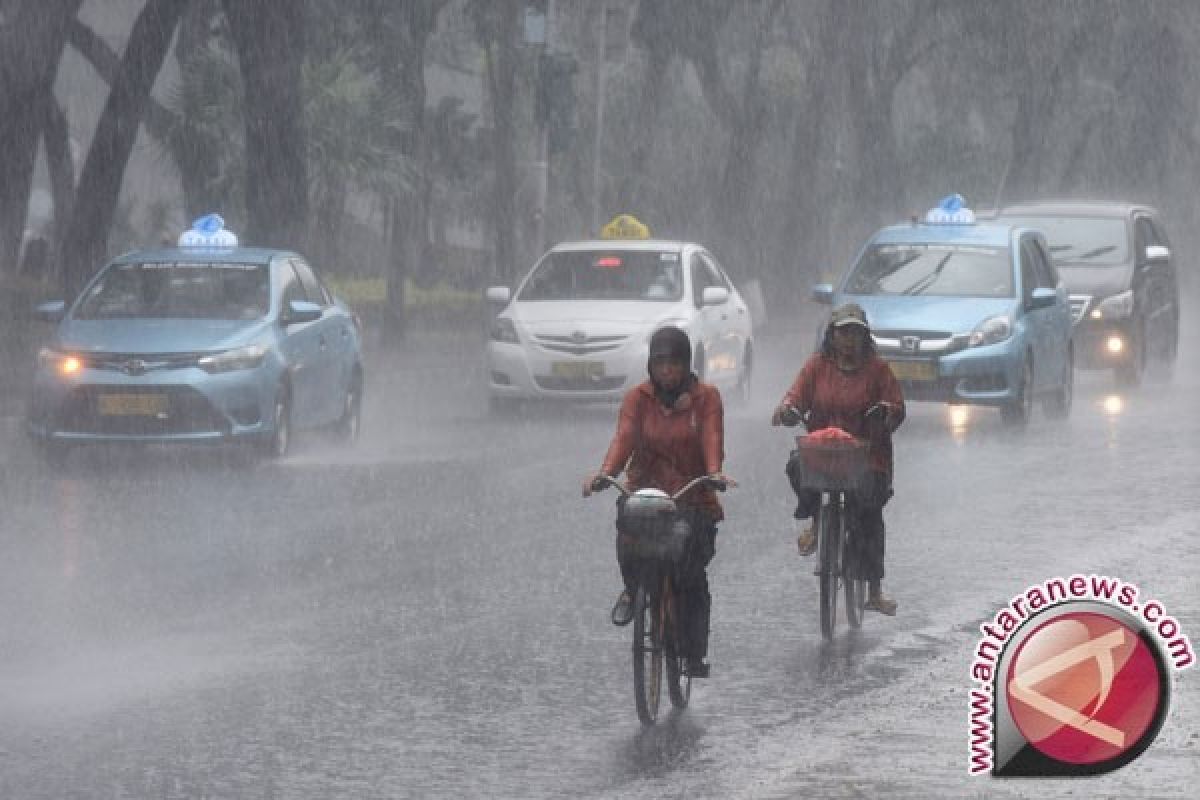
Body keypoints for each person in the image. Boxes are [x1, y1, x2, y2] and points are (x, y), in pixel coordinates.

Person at [583, 326, 734, 678]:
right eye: (660, 363)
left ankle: (694, 654)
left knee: (690, 576)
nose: (667, 371)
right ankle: (632, 589)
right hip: (646, 491)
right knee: (628, 533)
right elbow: (623, 438)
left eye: (674, 363)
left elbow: (712, 438)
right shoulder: (638, 398)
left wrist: (714, 472)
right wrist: (606, 473)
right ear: (651, 366)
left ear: (686, 364)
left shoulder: (706, 398)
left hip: (692, 495)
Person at [771, 302, 905, 615]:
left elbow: (896, 407)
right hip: (823, 453)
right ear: (831, 335)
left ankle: (874, 590)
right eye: (843, 332)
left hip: (867, 457)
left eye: (855, 333)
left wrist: (887, 412)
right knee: (795, 466)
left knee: (869, 514)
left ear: (864, 337)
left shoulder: (878, 370)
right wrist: (786, 410)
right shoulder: (816, 366)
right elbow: (794, 397)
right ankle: (817, 525)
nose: (848, 340)